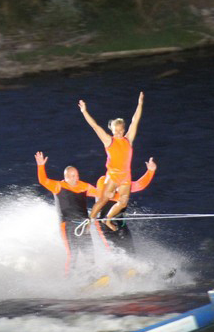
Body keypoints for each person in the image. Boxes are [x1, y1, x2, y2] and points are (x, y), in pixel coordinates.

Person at [35, 151, 156, 275]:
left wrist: (150, 171)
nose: (75, 178)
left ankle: (96, 278)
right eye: (72, 176)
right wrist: (40, 165)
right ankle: (70, 279)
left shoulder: (84, 186)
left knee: (91, 253)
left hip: (87, 223)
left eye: (76, 175)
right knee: (74, 254)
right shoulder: (60, 186)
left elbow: (135, 186)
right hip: (70, 224)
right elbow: (43, 180)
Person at [79, 92, 144, 231]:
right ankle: (89, 221)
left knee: (123, 202)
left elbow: (135, 120)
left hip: (126, 176)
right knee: (104, 199)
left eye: (120, 130)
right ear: (112, 130)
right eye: (116, 131)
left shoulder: (128, 140)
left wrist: (140, 104)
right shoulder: (109, 141)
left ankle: (107, 219)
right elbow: (95, 126)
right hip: (113, 175)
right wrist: (84, 111)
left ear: (124, 129)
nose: (118, 133)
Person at [94, 157, 157, 255]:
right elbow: (107, 194)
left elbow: (139, 185)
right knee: (113, 251)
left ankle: (132, 264)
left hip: (120, 221)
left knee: (129, 249)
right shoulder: (102, 180)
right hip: (104, 223)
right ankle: (113, 264)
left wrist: (150, 171)